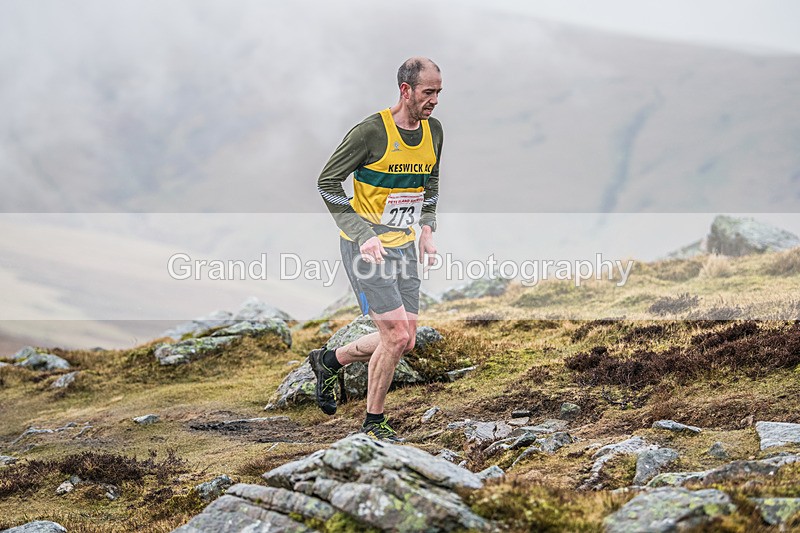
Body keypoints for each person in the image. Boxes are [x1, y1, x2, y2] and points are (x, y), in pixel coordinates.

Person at [312, 57, 443, 442]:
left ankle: (329, 360)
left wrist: (427, 229)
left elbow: (430, 181)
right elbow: (327, 183)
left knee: (407, 338)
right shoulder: (370, 132)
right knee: (396, 337)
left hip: (403, 246)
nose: (434, 100)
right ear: (406, 91)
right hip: (366, 249)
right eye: (427, 92)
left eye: (438, 92)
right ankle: (373, 424)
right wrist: (361, 231)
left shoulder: (434, 131)